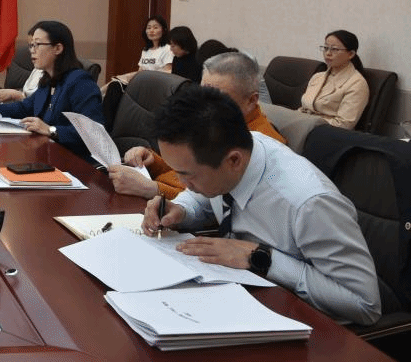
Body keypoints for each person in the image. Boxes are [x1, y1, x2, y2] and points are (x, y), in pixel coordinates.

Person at [141, 86, 380, 326]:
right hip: (237, 297)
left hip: (305, 324)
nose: (182, 183)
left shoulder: (308, 203)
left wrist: (260, 257)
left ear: (234, 161)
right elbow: (208, 195)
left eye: (187, 175)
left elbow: (365, 304)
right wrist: (181, 209)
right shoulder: (236, 152)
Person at [111, 51, 286, 200]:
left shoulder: (259, 146)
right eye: (202, 93)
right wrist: (153, 161)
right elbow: (187, 167)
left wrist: (152, 189)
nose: (205, 103)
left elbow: (214, 201)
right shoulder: (210, 118)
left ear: (251, 100)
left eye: (217, 97)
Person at [0, 20, 103, 160]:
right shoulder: (47, 80)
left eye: (37, 45)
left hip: (73, 161)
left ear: (58, 48)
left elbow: (94, 132)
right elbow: (24, 108)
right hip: (47, 155)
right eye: (31, 45)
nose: (32, 50)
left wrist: (51, 130)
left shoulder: (81, 83)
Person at [299, 30, 369, 129]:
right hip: (304, 126)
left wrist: (307, 123)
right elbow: (303, 109)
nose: (328, 53)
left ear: (351, 54)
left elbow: (344, 124)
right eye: (326, 48)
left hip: (325, 132)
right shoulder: (317, 77)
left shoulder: (357, 84)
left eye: (334, 49)